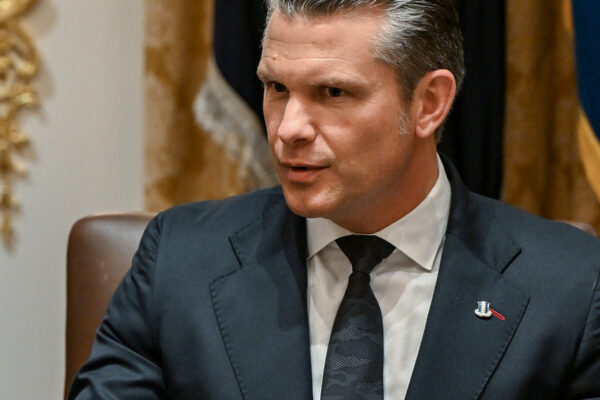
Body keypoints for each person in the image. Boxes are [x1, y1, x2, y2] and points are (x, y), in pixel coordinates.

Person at [68, 1, 600, 399]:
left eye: (333, 93)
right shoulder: (179, 259)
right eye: (277, 88)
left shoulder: (572, 287)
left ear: (429, 103)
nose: (288, 129)